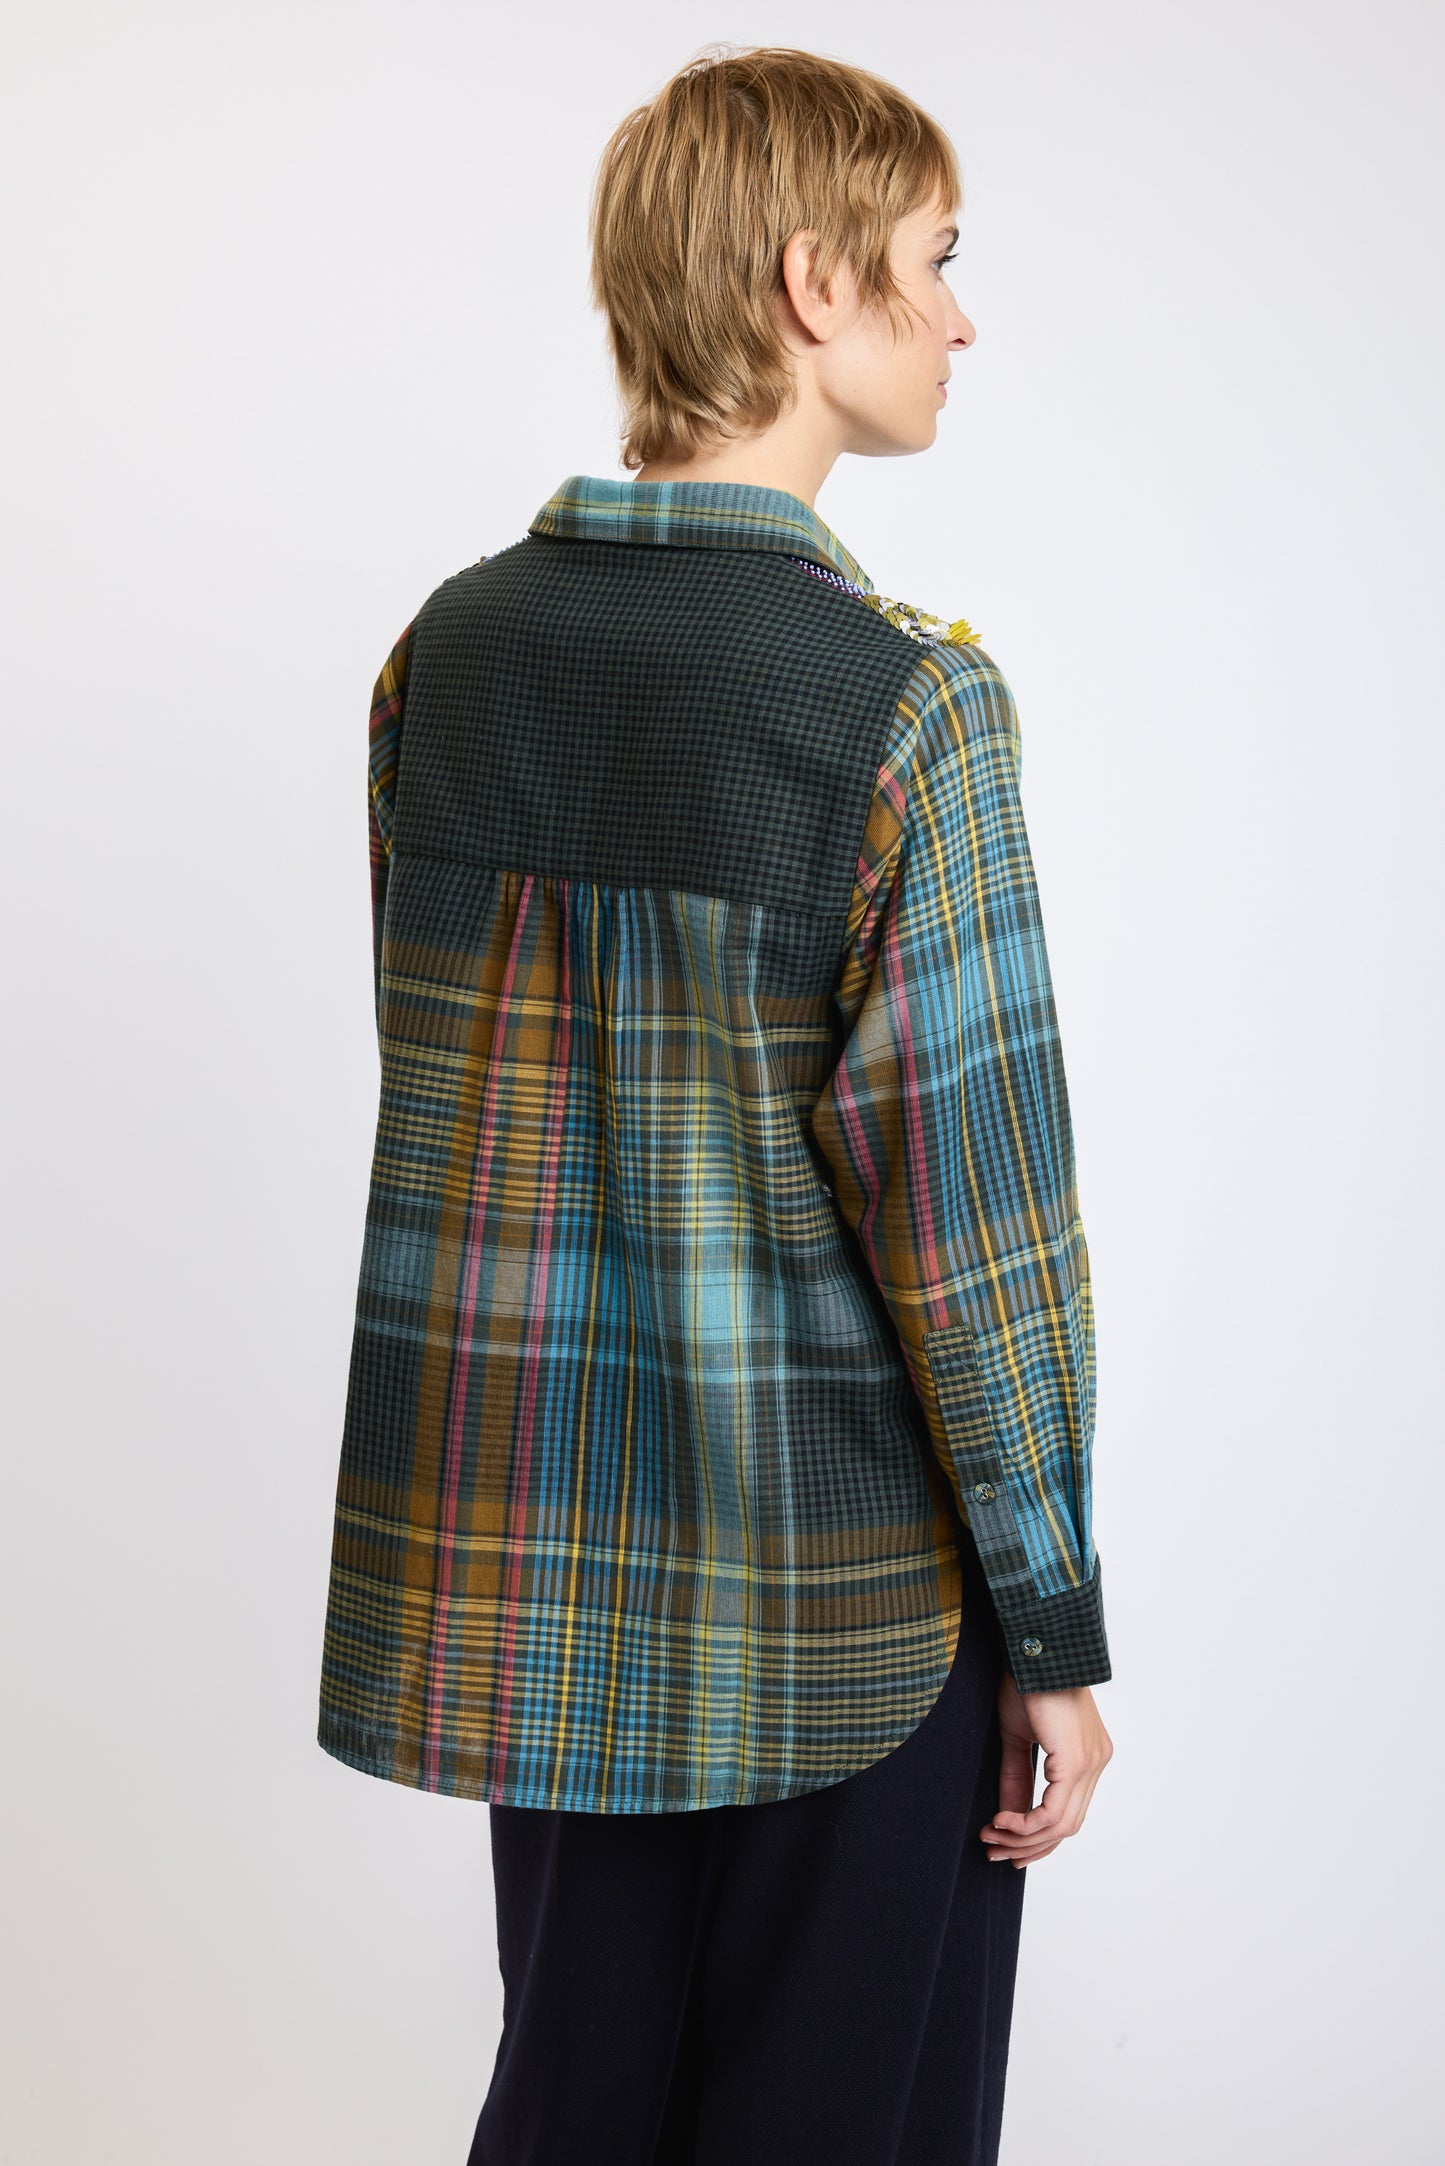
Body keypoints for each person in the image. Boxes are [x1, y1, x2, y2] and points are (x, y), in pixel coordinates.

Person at [316, 42, 1115, 2166]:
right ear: (811, 282)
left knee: (577, 2110)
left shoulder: (447, 659)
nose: (961, 319)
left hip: (540, 1593)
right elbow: (978, 1226)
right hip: (847, 1605)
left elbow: (462, 1097)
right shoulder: (906, 707)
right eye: (935, 261)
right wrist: (1051, 1623)